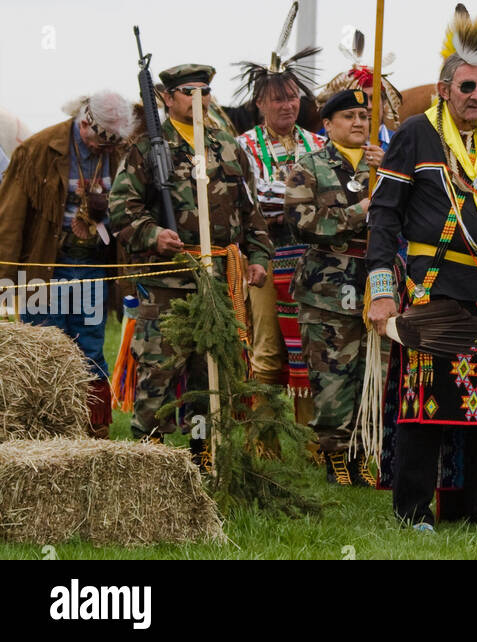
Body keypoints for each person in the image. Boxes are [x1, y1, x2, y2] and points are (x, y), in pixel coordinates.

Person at [365, 13, 477, 531]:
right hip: (434, 289)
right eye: (468, 86)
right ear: (444, 89)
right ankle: (413, 511)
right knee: (426, 405)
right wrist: (380, 291)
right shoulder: (415, 136)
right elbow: (383, 214)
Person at [108, 64, 273, 448]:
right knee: (160, 370)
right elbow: (122, 209)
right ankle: (149, 457)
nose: (199, 99)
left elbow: (253, 214)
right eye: (188, 92)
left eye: (205, 92)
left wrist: (260, 257)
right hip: (168, 282)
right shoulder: (147, 149)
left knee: (211, 373)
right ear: (167, 99)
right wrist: (153, 234)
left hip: (218, 280)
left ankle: (205, 454)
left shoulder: (229, 148)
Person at [0, 91, 135, 435]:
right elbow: (10, 218)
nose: (103, 151)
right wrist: (3, 279)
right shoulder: (38, 150)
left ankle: (95, 432)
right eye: (100, 143)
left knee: (90, 348)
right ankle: (43, 433)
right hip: (44, 271)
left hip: (92, 270)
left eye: (111, 146)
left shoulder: (118, 152)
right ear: (86, 122)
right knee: (43, 352)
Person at [283, 88, 385, 485]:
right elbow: (302, 222)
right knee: (332, 375)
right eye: (348, 116)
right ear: (327, 125)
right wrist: (361, 211)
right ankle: (334, 454)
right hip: (326, 288)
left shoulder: (385, 166)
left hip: (375, 284)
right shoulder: (309, 167)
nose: (359, 122)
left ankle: (363, 450)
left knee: (371, 370)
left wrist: (392, 172)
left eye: (364, 115)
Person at [234, 43, 324, 403]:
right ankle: (264, 443)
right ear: (259, 103)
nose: (287, 105)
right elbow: (251, 203)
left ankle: (310, 444)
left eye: (293, 97)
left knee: (310, 348)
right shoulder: (242, 147)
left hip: (313, 259)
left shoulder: (317, 144)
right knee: (269, 348)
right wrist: (300, 198)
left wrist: (283, 196)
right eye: (278, 99)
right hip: (266, 256)